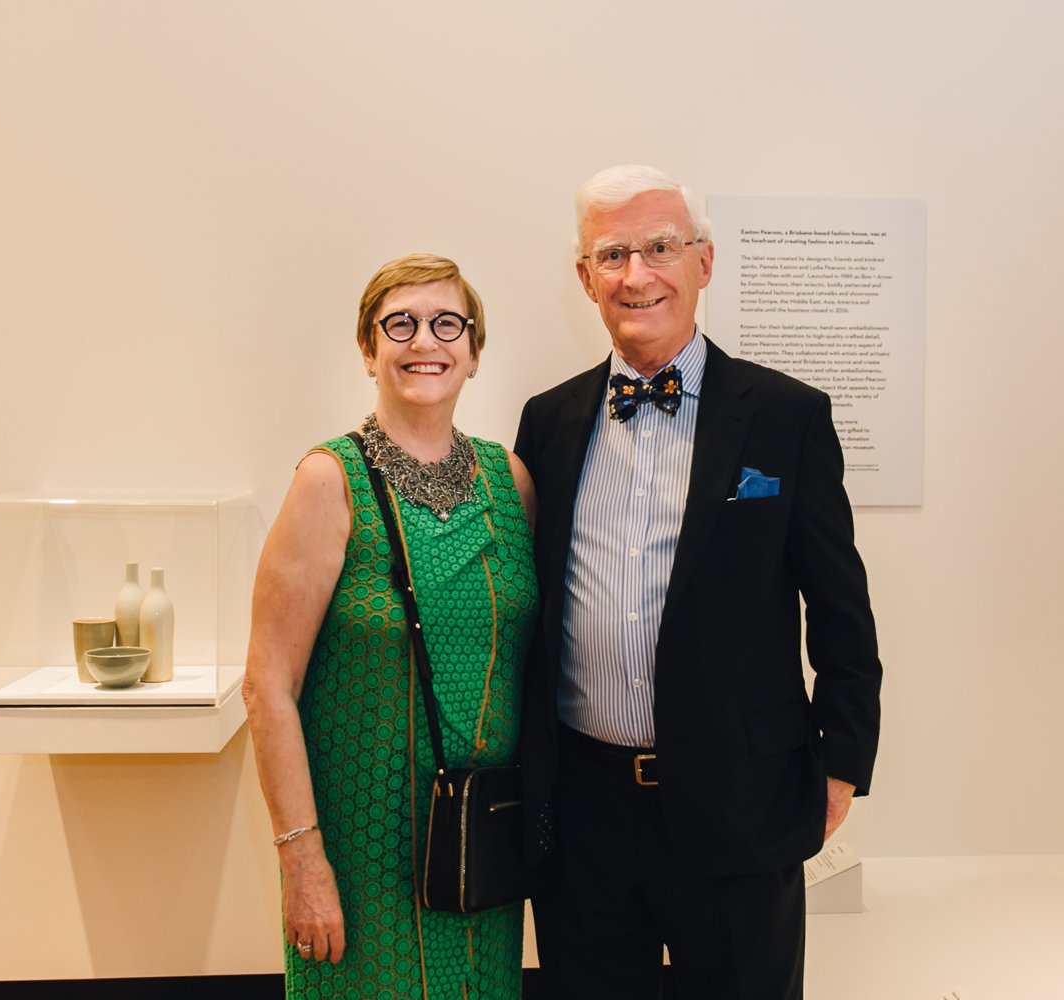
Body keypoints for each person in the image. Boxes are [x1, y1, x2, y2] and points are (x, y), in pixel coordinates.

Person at [514, 165, 882, 999]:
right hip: (585, 815)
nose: (636, 275)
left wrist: (843, 763)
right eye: (612, 255)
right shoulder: (547, 422)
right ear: (584, 278)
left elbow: (841, 611)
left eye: (660, 248)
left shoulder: (787, 417)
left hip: (740, 799)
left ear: (703, 264)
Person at [244, 253, 538, 998]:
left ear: (473, 352)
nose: (424, 341)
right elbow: (268, 686)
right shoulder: (328, 480)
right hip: (363, 847)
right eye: (399, 324)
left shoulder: (512, 482)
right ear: (368, 349)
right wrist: (302, 863)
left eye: (447, 324)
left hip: (480, 850)